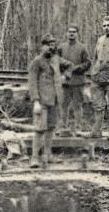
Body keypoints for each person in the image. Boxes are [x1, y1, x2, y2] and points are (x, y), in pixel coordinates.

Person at [27, 34, 73, 168]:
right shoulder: (37, 62)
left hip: (55, 100)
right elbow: (32, 83)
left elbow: (70, 65)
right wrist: (35, 101)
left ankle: (48, 155)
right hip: (41, 101)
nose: (51, 48)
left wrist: (66, 76)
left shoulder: (56, 59)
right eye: (48, 45)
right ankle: (35, 158)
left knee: (51, 128)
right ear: (42, 46)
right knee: (39, 129)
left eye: (53, 45)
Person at [56, 26, 91, 136]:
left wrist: (77, 68)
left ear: (77, 33)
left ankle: (78, 128)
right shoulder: (61, 47)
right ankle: (63, 128)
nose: (71, 34)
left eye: (74, 32)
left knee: (77, 105)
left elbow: (88, 63)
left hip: (78, 81)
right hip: (65, 82)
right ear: (66, 33)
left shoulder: (82, 48)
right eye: (69, 32)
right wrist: (65, 65)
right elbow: (55, 59)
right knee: (63, 105)